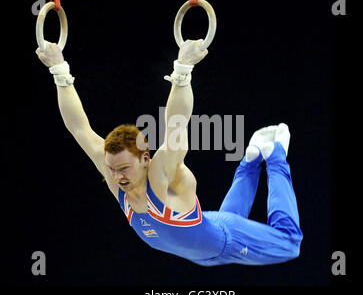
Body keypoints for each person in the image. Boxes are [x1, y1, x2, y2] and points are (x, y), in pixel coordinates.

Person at [35, 39, 303, 266]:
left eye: (124, 169)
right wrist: (59, 70)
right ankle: (252, 158)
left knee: (290, 244)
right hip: (205, 242)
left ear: (145, 159)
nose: (116, 177)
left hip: (225, 242)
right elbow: (79, 128)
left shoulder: (162, 175)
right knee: (229, 219)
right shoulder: (114, 175)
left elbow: (177, 123)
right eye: (112, 169)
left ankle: (276, 155)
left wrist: (183, 68)